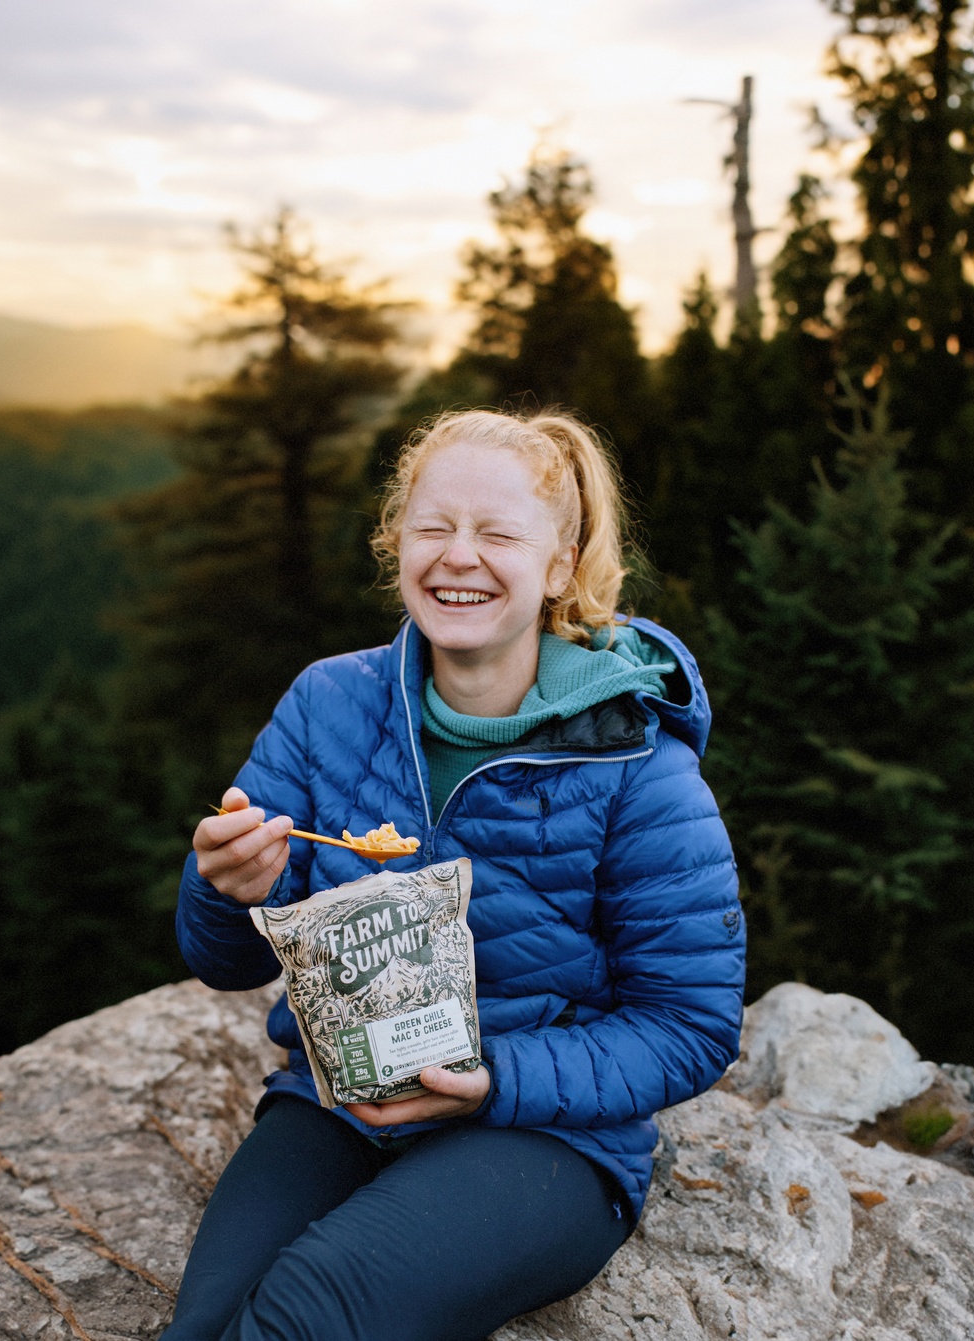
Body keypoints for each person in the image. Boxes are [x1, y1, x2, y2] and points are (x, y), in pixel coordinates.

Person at [162, 409, 746, 1341]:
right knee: (202, 1326)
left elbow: (692, 1024)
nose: (456, 557)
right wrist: (225, 888)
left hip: (543, 1135)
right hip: (343, 1098)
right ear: (397, 543)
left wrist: (493, 1077)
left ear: (558, 566)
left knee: (309, 1312)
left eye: (497, 534)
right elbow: (223, 961)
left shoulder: (635, 761)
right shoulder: (328, 702)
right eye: (432, 527)